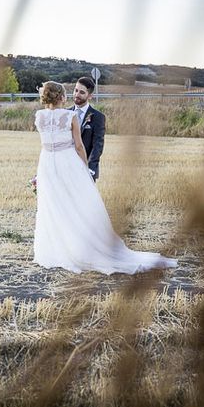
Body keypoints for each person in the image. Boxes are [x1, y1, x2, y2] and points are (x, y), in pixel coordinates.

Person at [33, 81, 176, 274]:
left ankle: (56, 249)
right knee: (76, 205)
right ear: (61, 97)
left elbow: (47, 143)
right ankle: (80, 246)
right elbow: (78, 146)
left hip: (47, 163)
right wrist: (83, 168)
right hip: (68, 162)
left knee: (53, 205)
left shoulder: (39, 116)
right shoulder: (70, 115)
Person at [71, 77, 105, 181]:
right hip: (67, 166)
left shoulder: (98, 117)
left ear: (90, 96)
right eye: (76, 90)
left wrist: (89, 169)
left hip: (86, 168)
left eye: (81, 92)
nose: (77, 94)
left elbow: (97, 146)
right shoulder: (65, 114)